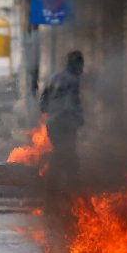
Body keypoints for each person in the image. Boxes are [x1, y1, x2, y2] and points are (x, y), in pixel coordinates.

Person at [39, 50, 84, 197]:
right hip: (65, 124)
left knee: (62, 153)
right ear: (76, 64)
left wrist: (49, 112)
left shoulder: (54, 77)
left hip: (52, 124)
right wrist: (78, 120)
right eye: (80, 64)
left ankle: (58, 189)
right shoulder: (72, 80)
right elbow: (72, 103)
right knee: (65, 154)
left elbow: (43, 101)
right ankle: (67, 190)